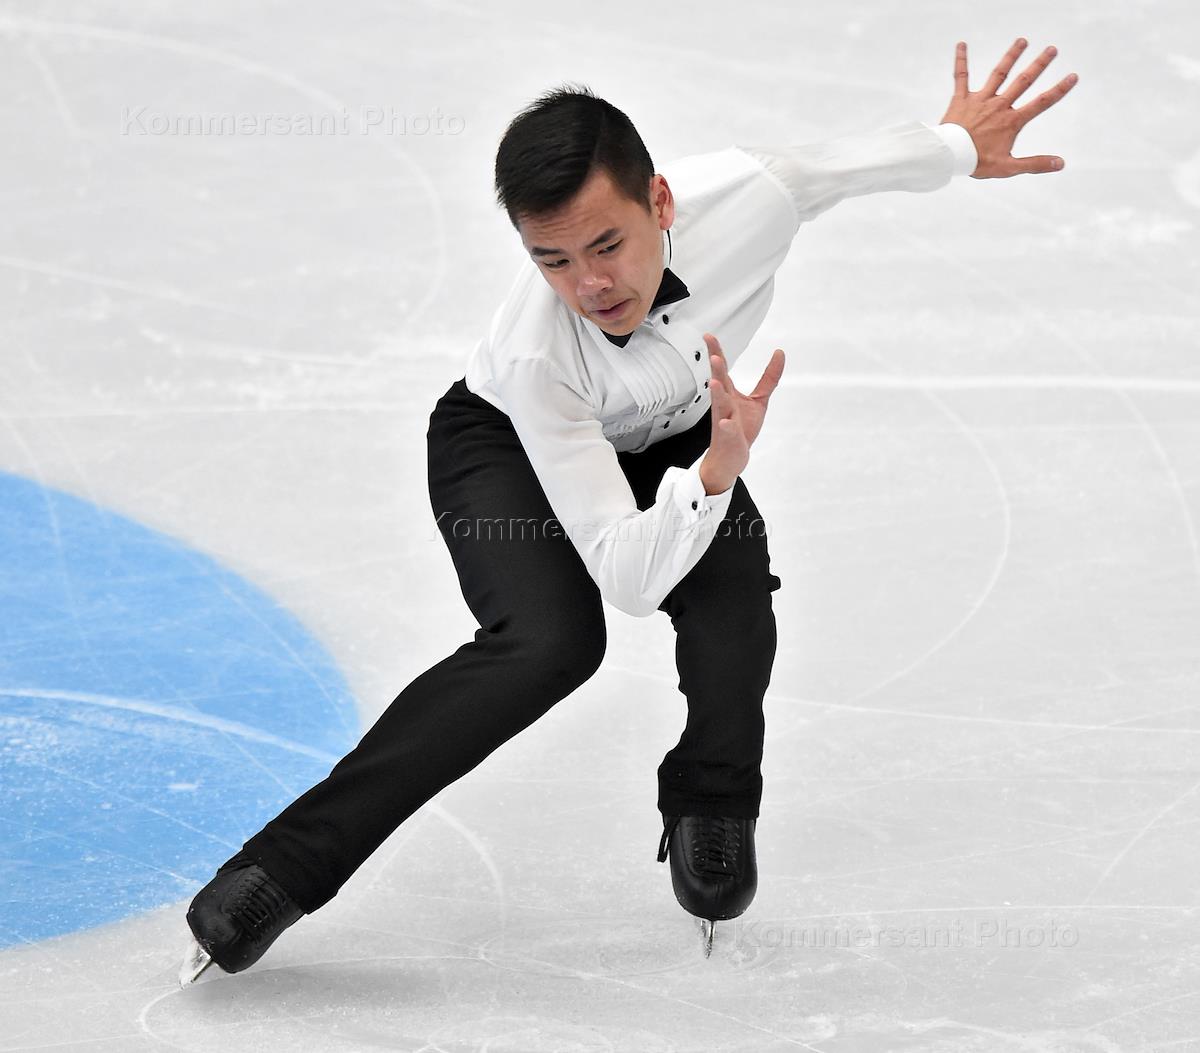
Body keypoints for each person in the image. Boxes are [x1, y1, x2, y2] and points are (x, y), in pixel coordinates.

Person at [181, 37, 1078, 980]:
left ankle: (711, 802)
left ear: (660, 201)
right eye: (554, 260)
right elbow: (629, 575)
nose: (590, 285)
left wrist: (957, 145)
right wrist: (716, 475)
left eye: (607, 244)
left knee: (736, 596)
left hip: (682, 427)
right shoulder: (537, 354)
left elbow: (841, 167)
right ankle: (281, 867)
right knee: (548, 644)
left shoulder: (752, 194)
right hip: (512, 441)